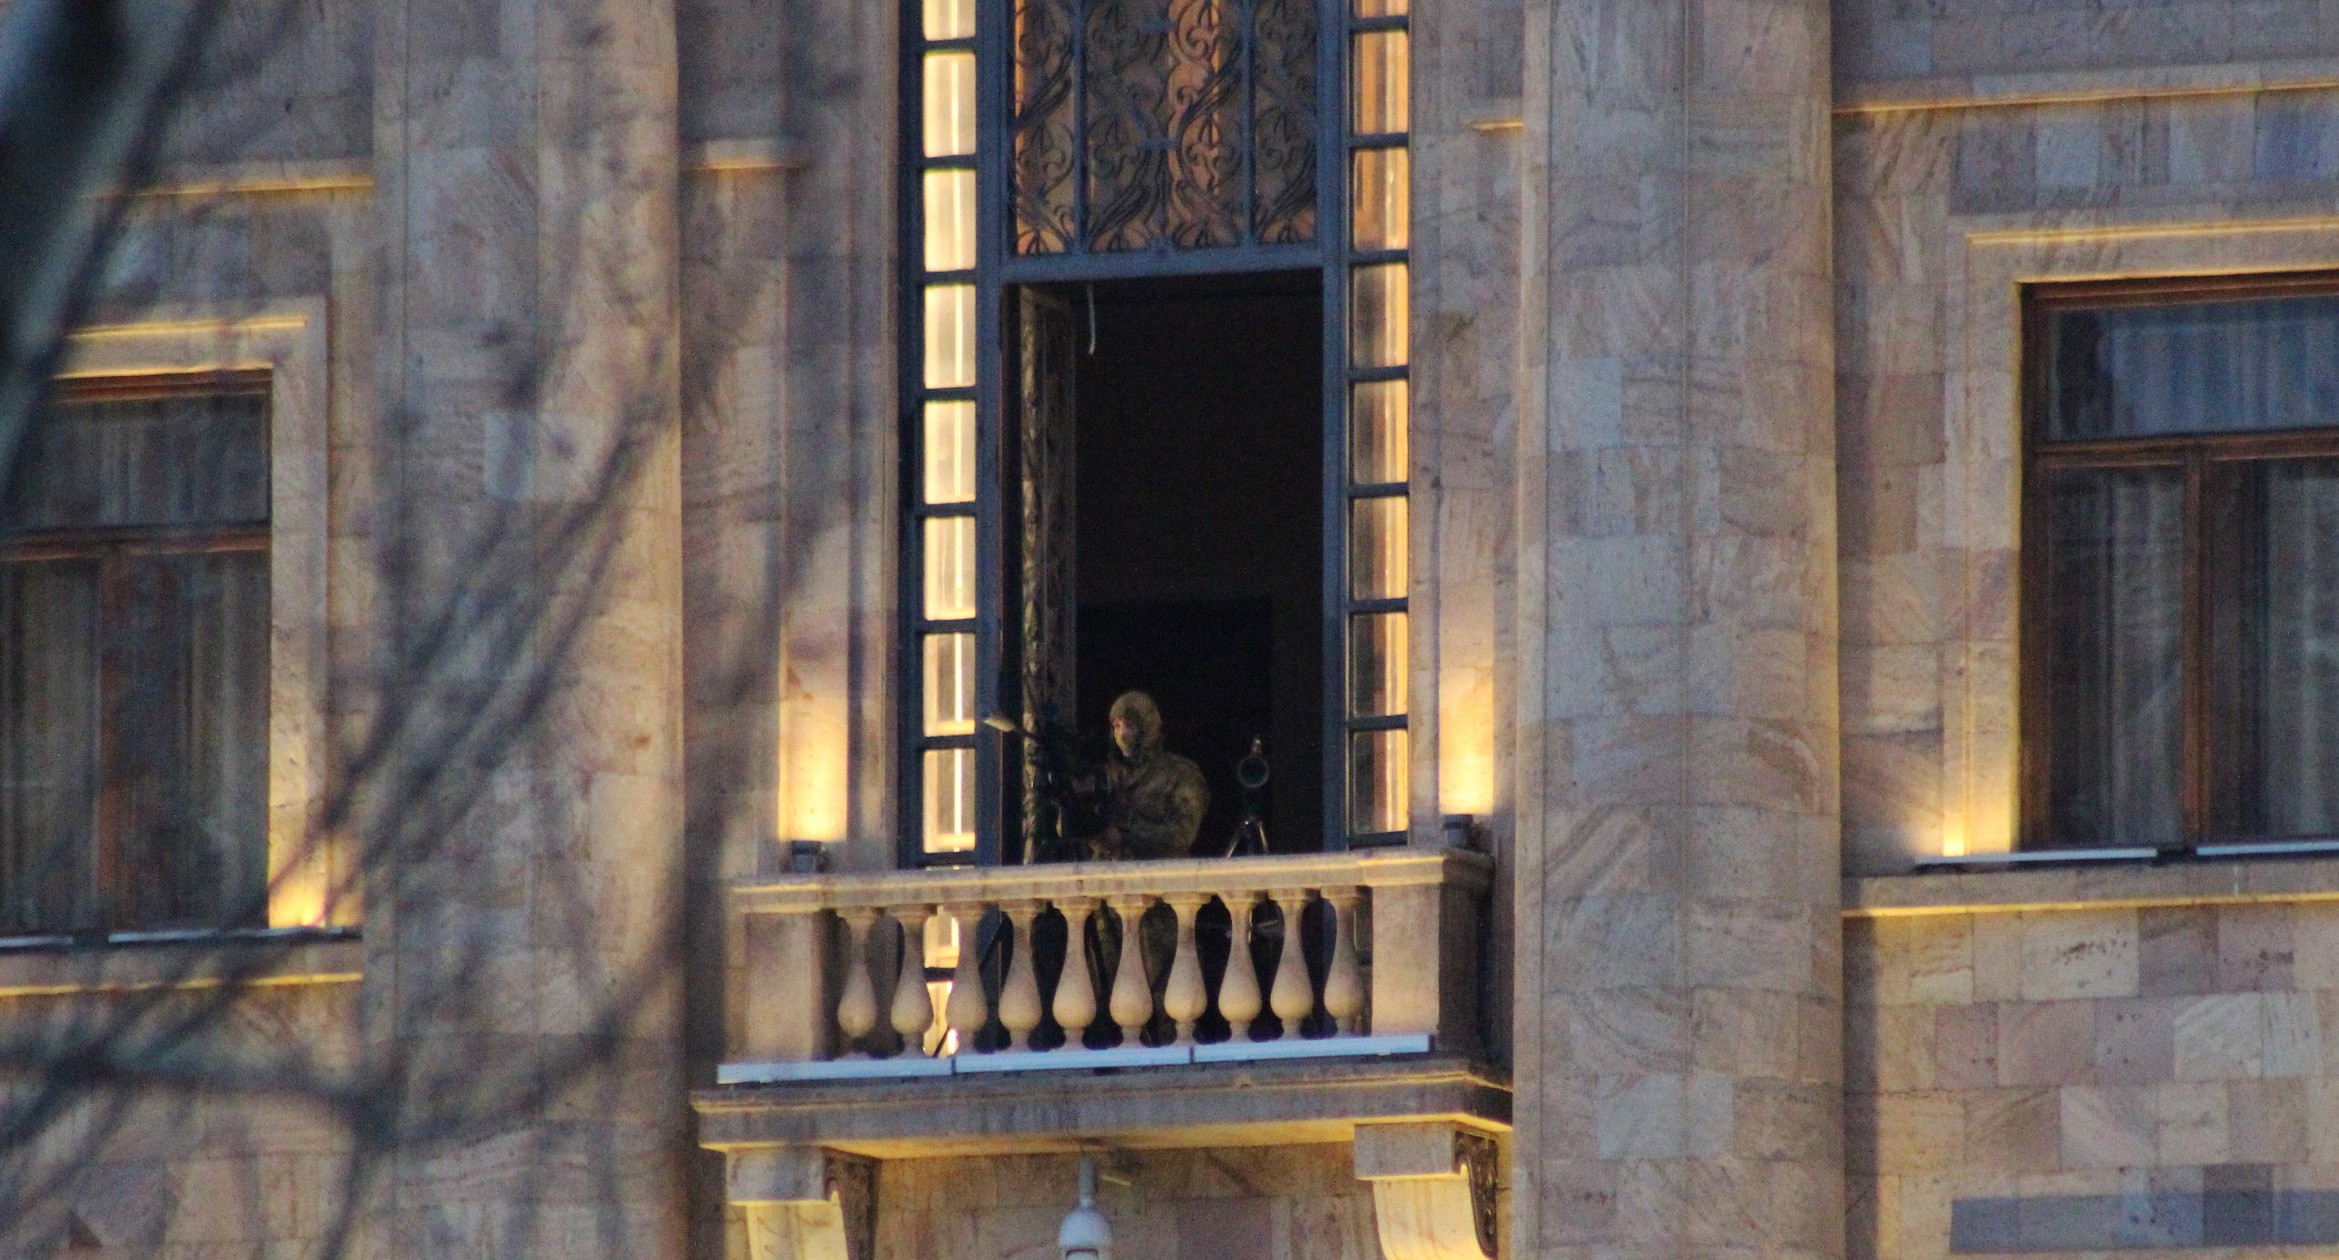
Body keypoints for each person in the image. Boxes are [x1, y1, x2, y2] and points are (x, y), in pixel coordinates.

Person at [1090, 690, 1209, 862]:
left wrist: (1126, 836)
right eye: (1116, 726)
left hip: (1160, 874)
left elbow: (1181, 837)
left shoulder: (1179, 773)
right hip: (1107, 874)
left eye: (1129, 725)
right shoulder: (1108, 776)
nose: (1121, 734)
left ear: (1147, 728)